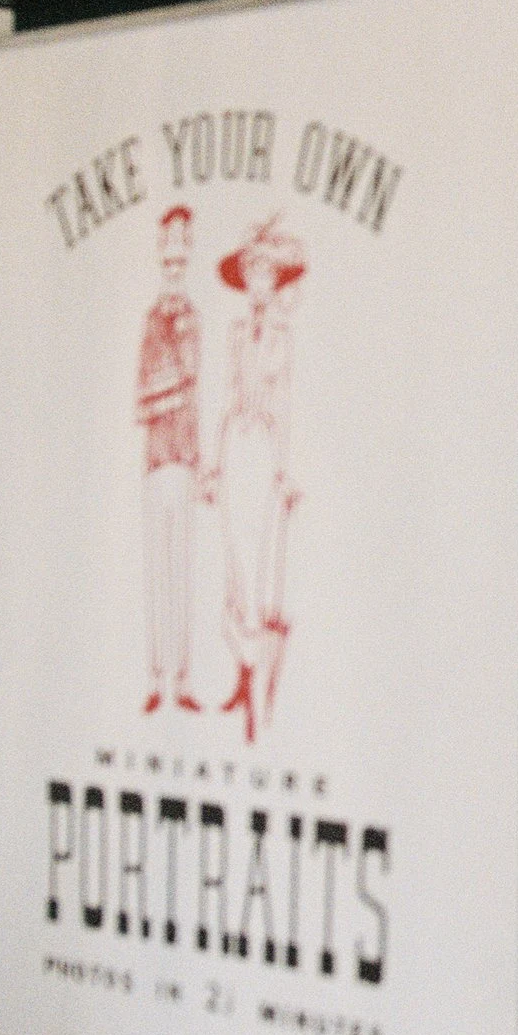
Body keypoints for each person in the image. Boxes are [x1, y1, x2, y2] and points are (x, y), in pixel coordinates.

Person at [204, 216, 305, 744]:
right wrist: (213, 464)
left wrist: (287, 469)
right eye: (251, 272)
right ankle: (245, 675)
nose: (258, 282)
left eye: (266, 272)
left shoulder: (284, 337)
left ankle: (261, 694)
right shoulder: (236, 332)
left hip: (266, 448)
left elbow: (286, 404)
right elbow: (224, 393)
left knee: (266, 566)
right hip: (236, 445)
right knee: (235, 561)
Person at [134, 207, 204, 716]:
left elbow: (190, 382)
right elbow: (144, 394)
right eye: (169, 248)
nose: (175, 259)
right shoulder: (151, 320)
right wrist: (171, 387)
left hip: (182, 452)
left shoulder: (192, 319)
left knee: (181, 568)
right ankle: (160, 682)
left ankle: (180, 681)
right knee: (159, 568)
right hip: (157, 457)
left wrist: (172, 387)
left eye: (183, 247)